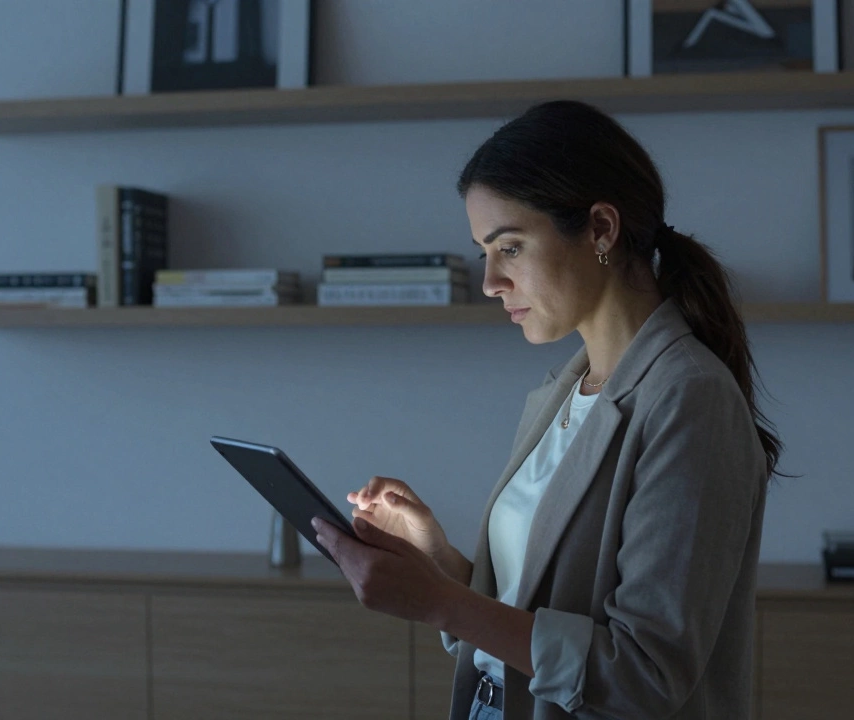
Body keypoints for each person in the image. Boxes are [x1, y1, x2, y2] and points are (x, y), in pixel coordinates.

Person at [311, 99, 783, 720]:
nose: (489, 282)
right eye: (485, 251)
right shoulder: (564, 391)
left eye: (509, 248)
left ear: (601, 230)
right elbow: (534, 608)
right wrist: (440, 562)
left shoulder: (689, 398)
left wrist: (440, 603)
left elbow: (643, 674)